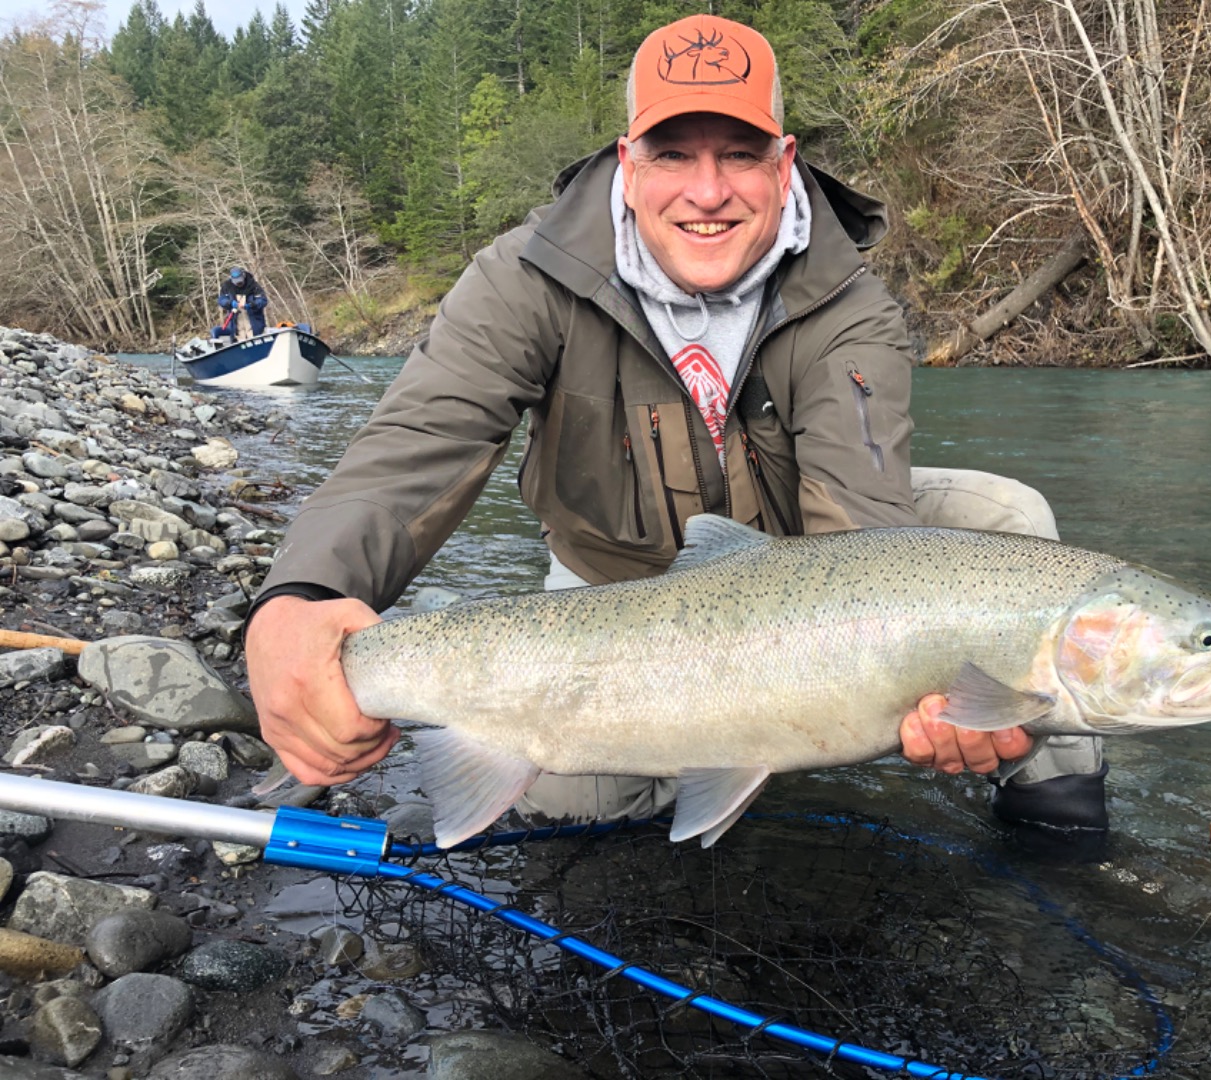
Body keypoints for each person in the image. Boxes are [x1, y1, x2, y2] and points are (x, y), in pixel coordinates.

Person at [243, 15, 1107, 836]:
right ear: (626, 162)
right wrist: (300, 599)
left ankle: (1056, 812)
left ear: (784, 162)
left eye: (739, 155)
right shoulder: (524, 279)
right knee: (568, 800)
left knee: (1006, 522)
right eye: (671, 154)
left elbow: (862, 543)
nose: (708, 191)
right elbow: (412, 452)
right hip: (615, 587)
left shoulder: (848, 304)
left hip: (801, 576)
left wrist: (918, 688)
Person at [214, 266, 268, 340]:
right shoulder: (227, 286)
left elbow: (263, 300)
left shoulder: (253, 285)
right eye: (236, 282)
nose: (239, 284)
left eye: (240, 281)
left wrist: (252, 305)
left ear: (243, 276)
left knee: (255, 339)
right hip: (237, 325)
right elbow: (221, 300)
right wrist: (230, 303)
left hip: (254, 324)